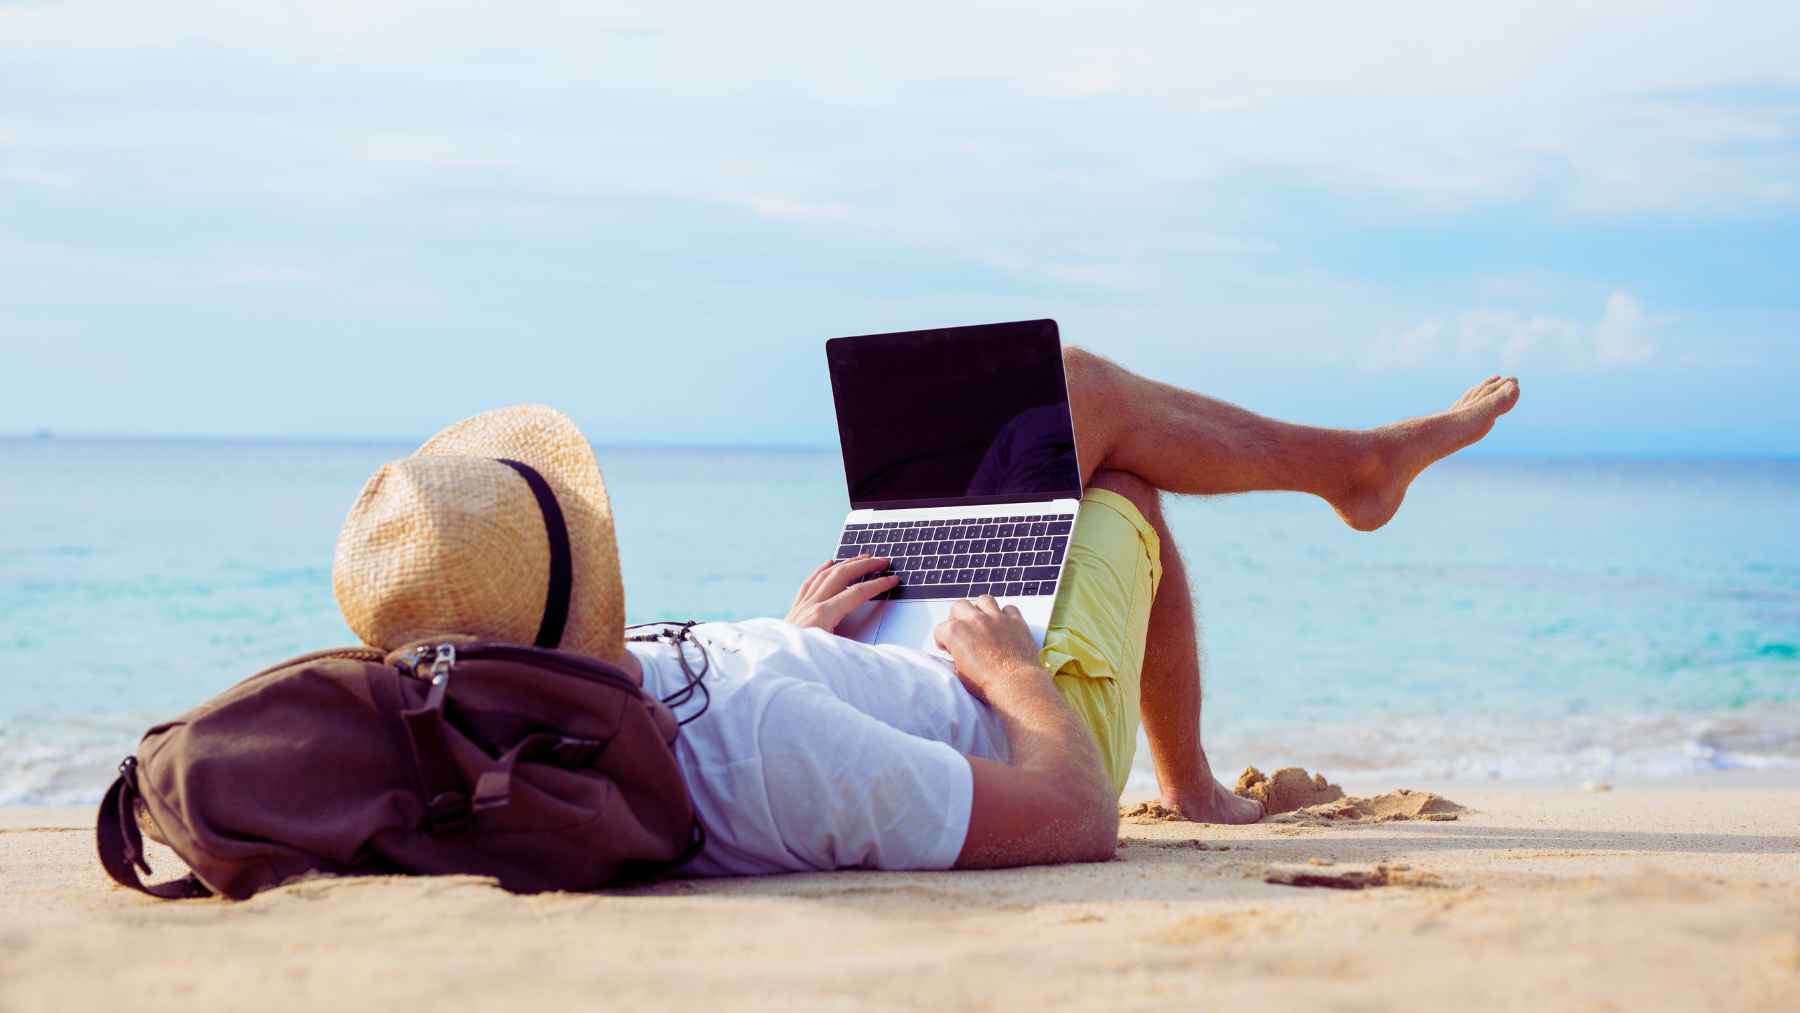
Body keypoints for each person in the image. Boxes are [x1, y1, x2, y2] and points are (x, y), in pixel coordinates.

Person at [332, 348, 1520, 875]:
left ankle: (1353, 473)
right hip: (1019, 716)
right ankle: (1350, 480)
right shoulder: (773, 749)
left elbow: (728, 706)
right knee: (1111, 463)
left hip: (867, 652)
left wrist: (793, 632)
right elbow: (1067, 821)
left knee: (1063, 416)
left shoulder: (575, 708)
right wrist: (1011, 676)